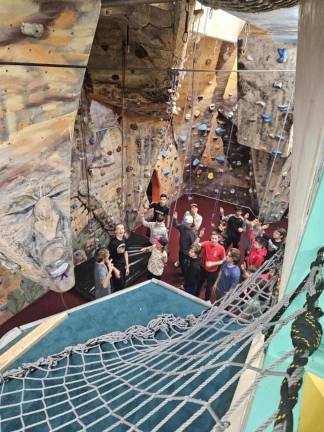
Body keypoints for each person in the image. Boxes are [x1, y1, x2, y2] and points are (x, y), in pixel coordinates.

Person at [196, 231, 226, 301]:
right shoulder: (207, 243)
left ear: (218, 239)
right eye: (212, 238)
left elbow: (224, 261)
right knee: (199, 283)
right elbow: (198, 245)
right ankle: (195, 296)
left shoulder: (221, 248)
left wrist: (213, 263)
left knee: (209, 287)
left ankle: (207, 301)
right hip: (203, 268)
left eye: (215, 239)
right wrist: (199, 237)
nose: (213, 240)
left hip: (212, 271)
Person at [108, 223, 129, 292]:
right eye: (118, 229)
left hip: (123, 266)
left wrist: (127, 266)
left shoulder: (124, 239)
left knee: (123, 285)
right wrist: (115, 270)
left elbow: (125, 252)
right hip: (116, 267)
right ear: (115, 231)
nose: (121, 230)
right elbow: (107, 259)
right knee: (119, 287)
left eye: (122, 228)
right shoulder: (112, 243)